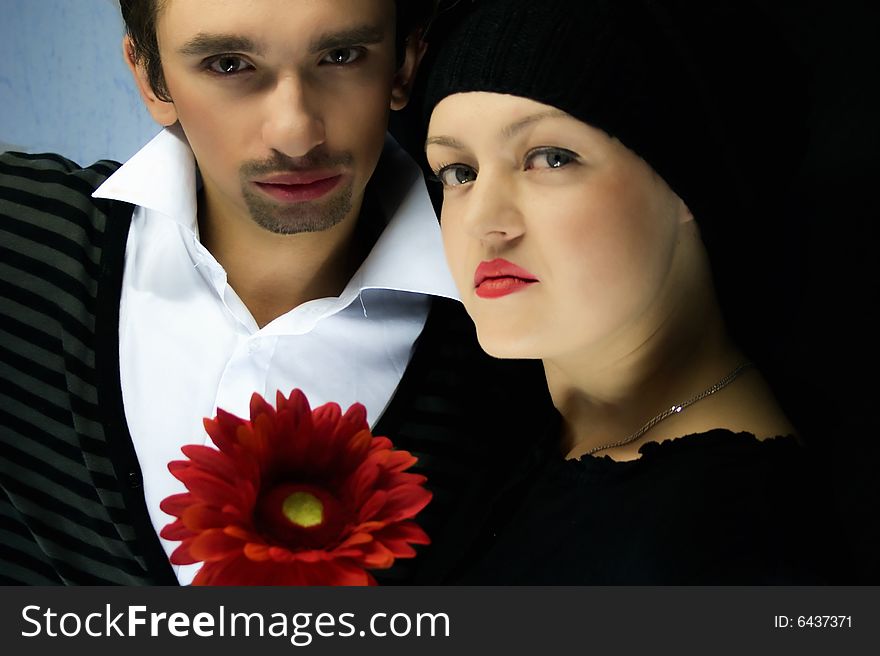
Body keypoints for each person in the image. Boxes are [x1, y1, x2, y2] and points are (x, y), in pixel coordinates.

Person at [0, 0, 551, 585]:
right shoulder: (19, 238)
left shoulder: (527, 348)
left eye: (340, 56)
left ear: (403, 64)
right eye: (228, 64)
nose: (295, 131)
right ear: (150, 77)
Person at [420, 0, 856, 583]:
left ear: (687, 185)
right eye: (458, 172)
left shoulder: (726, 541)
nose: (483, 220)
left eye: (550, 158)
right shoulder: (500, 422)